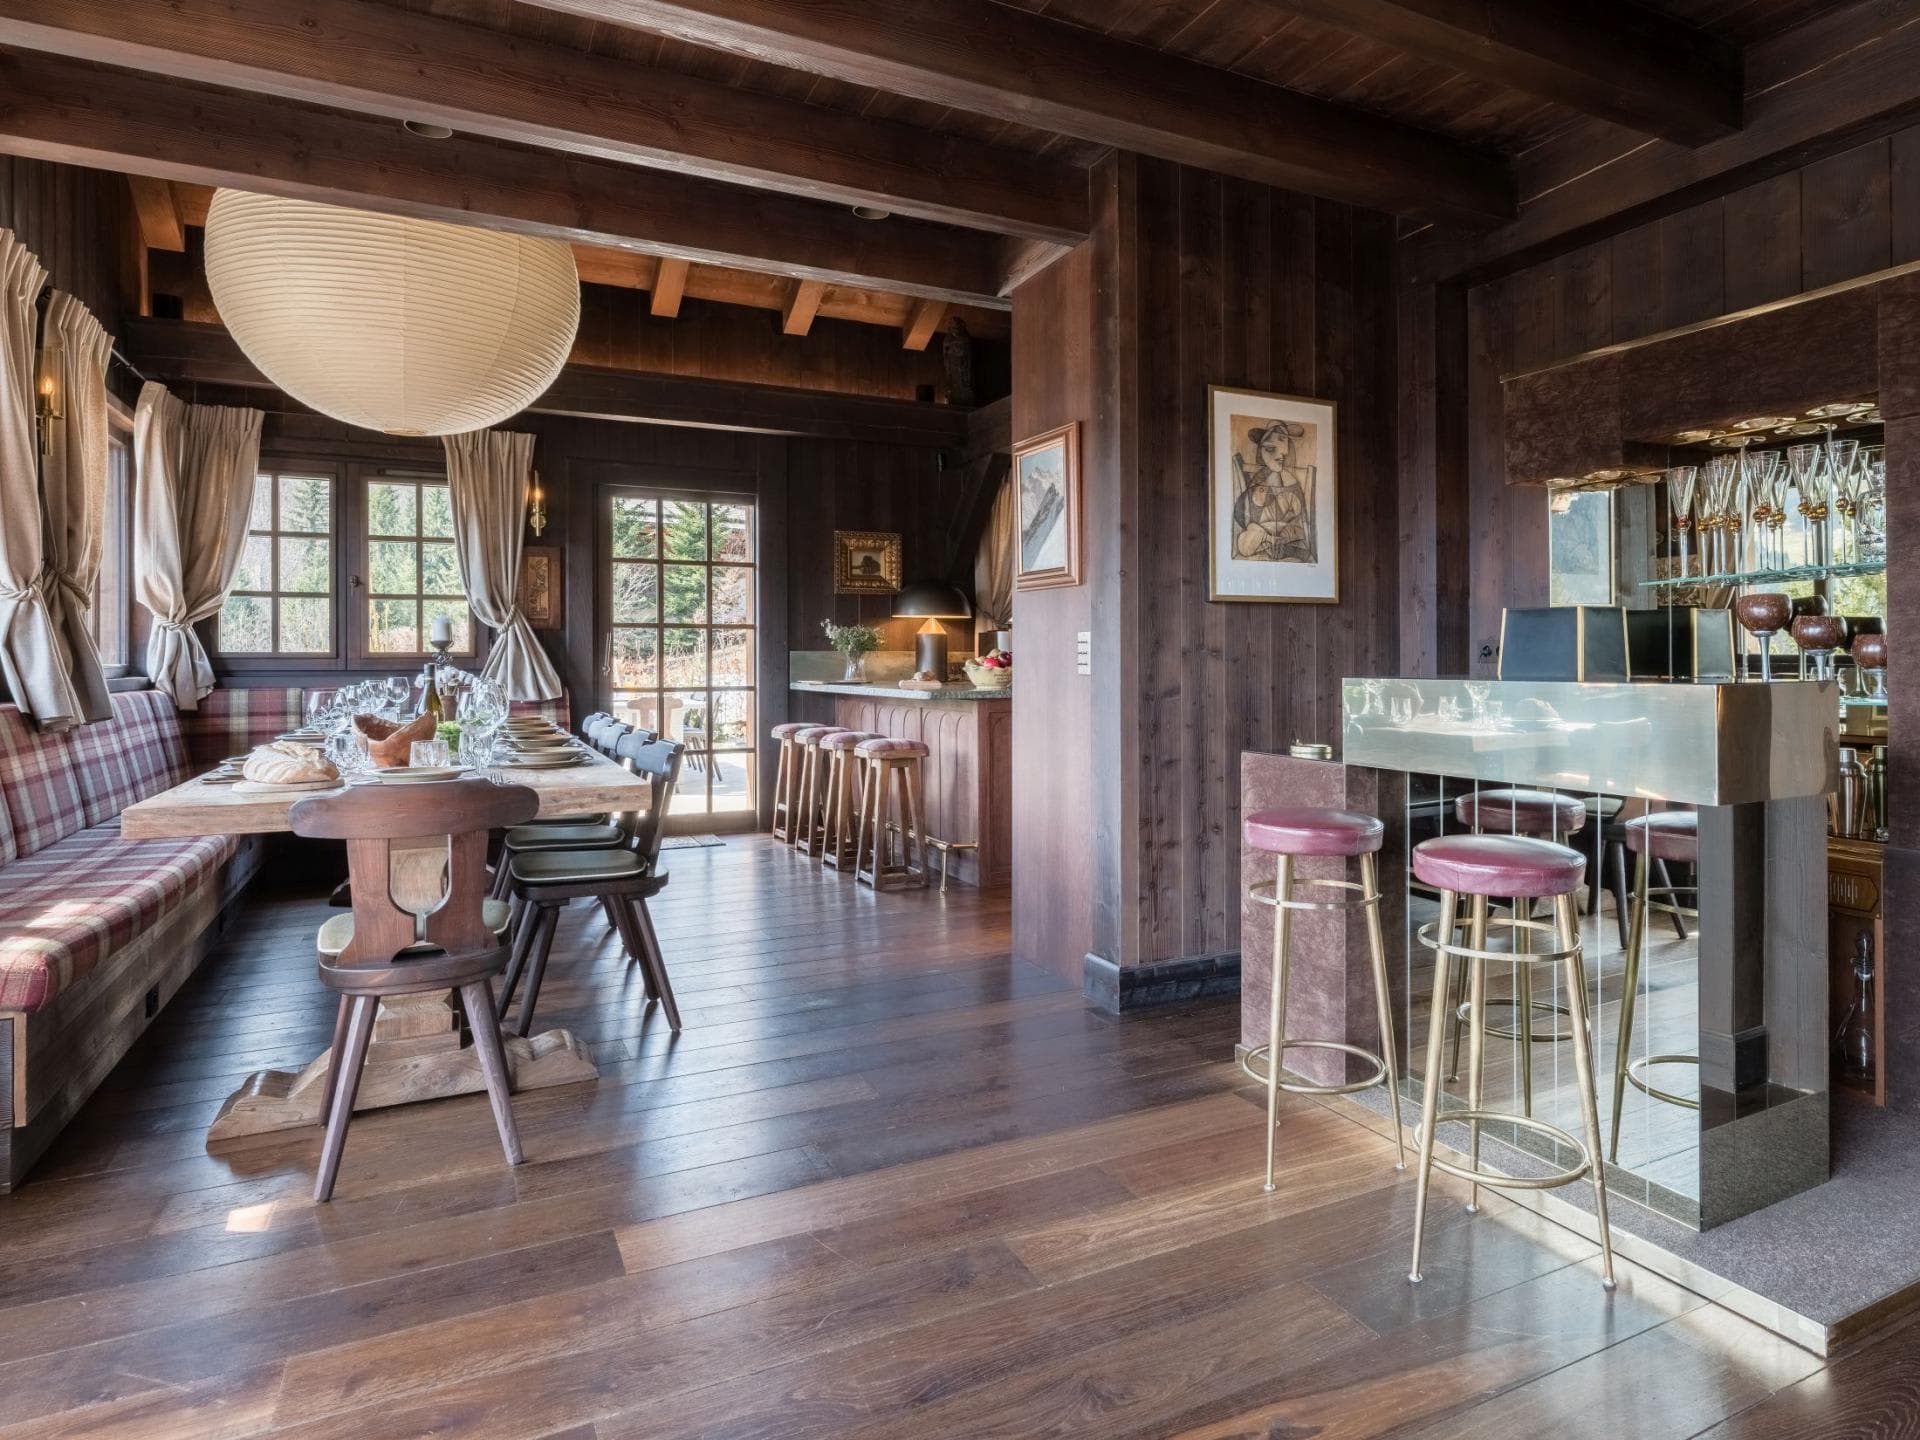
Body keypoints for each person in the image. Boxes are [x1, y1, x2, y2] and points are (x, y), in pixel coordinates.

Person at [1232, 421, 1316, 562]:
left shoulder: (1289, 479)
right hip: (1260, 530)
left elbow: (1298, 515)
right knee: (1245, 543)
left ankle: (1277, 545)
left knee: (1292, 534)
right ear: (1261, 451)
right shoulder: (1259, 478)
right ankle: (1272, 543)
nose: (1280, 456)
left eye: (1283, 451)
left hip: (1286, 530)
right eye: (1270, 449)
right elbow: (1246, 516)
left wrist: (1283, 532)